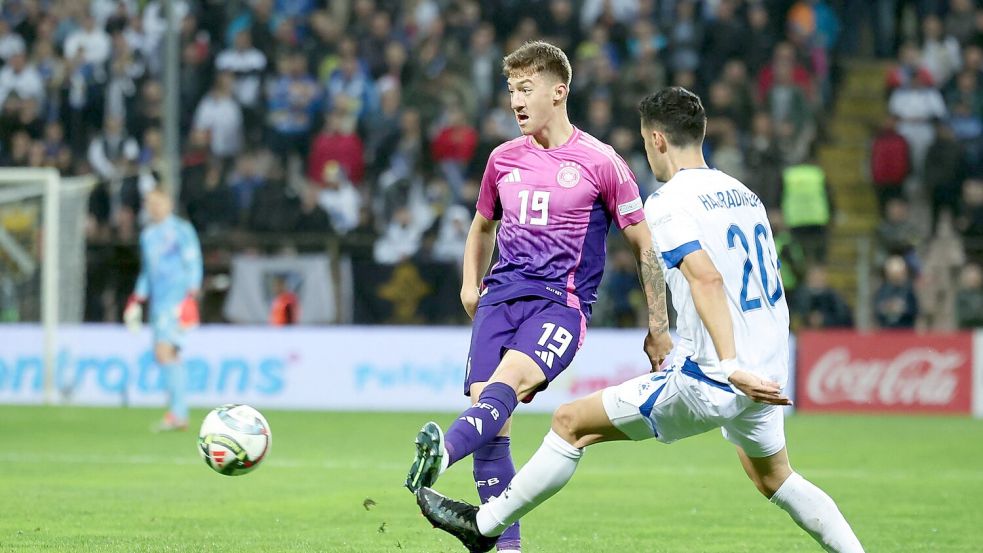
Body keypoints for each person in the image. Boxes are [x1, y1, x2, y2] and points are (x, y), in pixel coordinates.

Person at [415, 87, 865, 553]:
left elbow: (705, 280)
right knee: (775, 478)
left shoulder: (669, 201)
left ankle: (484, 525)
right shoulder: (744, 195)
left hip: (717, 374)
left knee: (571, 423)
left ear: (656, 140)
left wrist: (728, 365)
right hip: (767, 371)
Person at [404, 41, 673, 553]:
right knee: (493, 423)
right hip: (499, 300)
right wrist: (469, 283)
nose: (515, 101)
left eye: (526, 89)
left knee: (500, 390)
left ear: (559, 91)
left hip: (558, 304)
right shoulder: (503, 159)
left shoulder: (602, 162)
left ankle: (441, 456)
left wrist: (658, 326)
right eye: (511, 90)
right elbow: (481, 226)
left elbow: (645, 247)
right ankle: (507, 548)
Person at [123, 188, 203, 432]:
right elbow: (147, 271)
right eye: (150, 203)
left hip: (177, 301)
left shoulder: (181, 230)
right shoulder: (147, 235)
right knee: (168, 355)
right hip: (158, 303)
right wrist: (137, 297)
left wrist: (191, 295)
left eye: (158, 203)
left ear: (168, 203)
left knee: (164, 351)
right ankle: (178, 413)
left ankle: (178, 413)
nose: (154, 207)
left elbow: (193, 261)